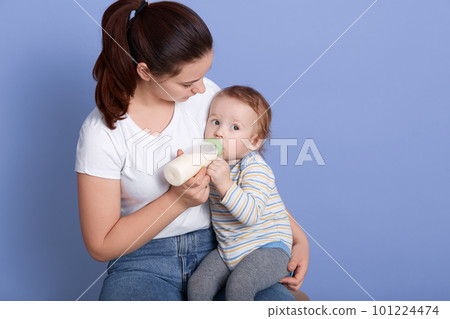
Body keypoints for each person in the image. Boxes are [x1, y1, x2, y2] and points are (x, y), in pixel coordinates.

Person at [75, 0, 309, 301]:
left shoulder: (207, 98)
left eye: (203, 75)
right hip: (143, 263)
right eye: (189, 82)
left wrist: (298, 238)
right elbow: (100, 244)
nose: (202, 88)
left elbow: (247, 173)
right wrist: (176, 200)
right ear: (146, 72)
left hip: (224, 247)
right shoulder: (102, 133)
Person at [188, 86, 294, 301]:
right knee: (198, 285)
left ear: (254, 142)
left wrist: (226, 184)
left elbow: (251, 215)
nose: (219, 132)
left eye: (234, 127)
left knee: (240, 284)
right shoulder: (211, 163)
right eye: (215, 122)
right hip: (231, 248)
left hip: (269, 247)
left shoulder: (255, 168)